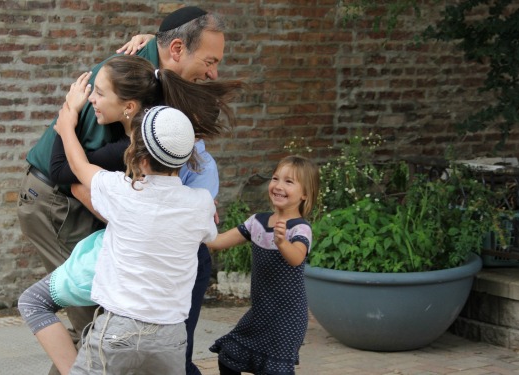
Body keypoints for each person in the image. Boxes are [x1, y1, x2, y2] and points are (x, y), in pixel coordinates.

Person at [16, 7, 228, 374]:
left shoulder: (158, 78)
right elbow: (70, 174)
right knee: (97, 324)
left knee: (100, 331)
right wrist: (67, 119)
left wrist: (129, 217)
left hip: (104, 200)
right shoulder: (120, 83)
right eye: (210, 61)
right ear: (176, 49)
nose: (214, 73)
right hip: (61, 201)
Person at [206, 156, 320, 375]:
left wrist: (282, 243)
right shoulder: (256, 222)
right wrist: (200, 216)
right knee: (228, 356)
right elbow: (217, 242)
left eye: (289, 181)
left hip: (288, 318)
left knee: (273, 370)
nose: (278, 185)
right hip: (259, 313)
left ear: (305, 194)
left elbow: (297, 258)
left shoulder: (300, 228)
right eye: (276, 178)